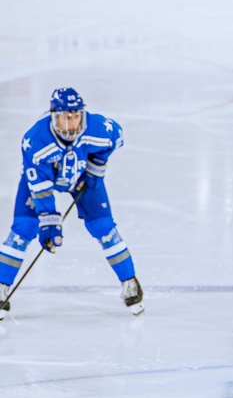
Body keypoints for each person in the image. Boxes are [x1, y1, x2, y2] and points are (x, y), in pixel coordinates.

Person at [0, 87, 143, 320]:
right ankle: (1, 285)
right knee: (23, 229)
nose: (72, 123)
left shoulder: (97, 128)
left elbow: (116, 137)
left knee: (104, 228)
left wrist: (95, 168)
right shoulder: (34, 141)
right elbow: (40, 187)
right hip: (43, 181)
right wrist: (49, 221)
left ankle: (129, 281)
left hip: (80, 178)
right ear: (54, 115)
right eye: (66, 116)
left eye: (76, 115)